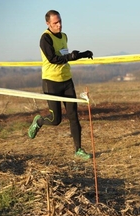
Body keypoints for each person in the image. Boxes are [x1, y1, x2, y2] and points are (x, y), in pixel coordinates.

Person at [28, 10, 93, 159]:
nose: (59, 25)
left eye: (60, 21)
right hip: (51, 82)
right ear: (48, 24)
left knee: (73, 116)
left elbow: (66, 56)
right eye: (55, 23)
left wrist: (82, 54)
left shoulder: (64, 36)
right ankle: (38, 121)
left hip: (67, 81)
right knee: (55, 120)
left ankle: (78, 150)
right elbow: (53, 58)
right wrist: (69, 56)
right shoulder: (45, 38)